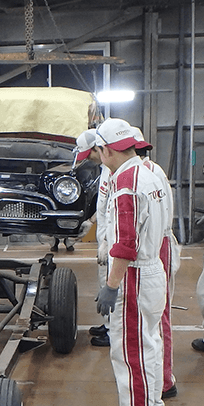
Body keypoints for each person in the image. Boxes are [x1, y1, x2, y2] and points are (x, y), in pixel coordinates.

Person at [94, 118, 169, 406]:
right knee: (149, 344)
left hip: (134, 276)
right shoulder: (149, 174)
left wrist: (111, 285)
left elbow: (125, 245)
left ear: (106, 150)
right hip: (153, 270)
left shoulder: (125, 183)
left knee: (129, 353)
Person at [131, 127, 178, 400]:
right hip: (155, 243)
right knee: (153, 319)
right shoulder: (147, 171)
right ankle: (160, 379)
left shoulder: (147, 174)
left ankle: (165, 380)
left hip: (158, 244)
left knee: (160, 317)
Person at [74, 129, 112, 347]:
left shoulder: (116, 171)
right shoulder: (104, 170)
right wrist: (91, 221)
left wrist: (107, 242)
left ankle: (114, 332)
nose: (89, 159)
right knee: (103, 281)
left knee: (113, 286)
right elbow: (104, 205)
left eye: (89, 154)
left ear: (99, 148)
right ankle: (108, 324)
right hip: (104, 237)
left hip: (112, 240)